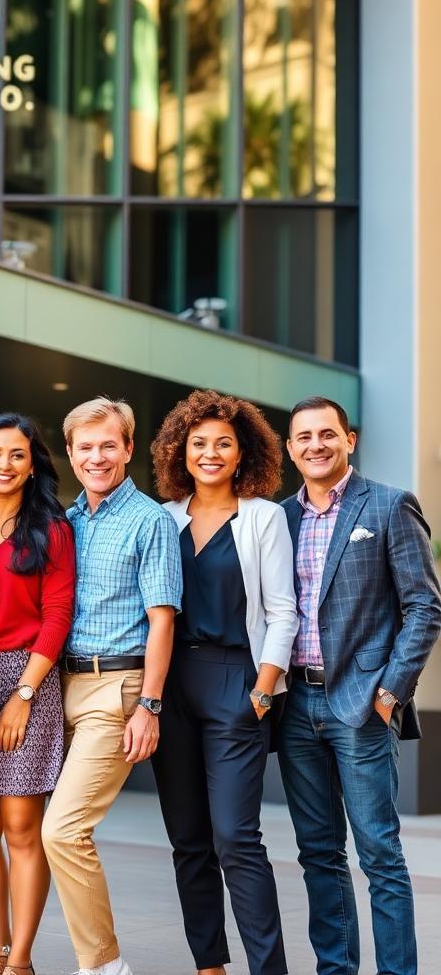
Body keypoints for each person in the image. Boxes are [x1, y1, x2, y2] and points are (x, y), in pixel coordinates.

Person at [278, 396, 441, 975]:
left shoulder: (391, 506)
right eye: (303, 437)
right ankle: (336, 969)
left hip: (362, 704)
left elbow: (424, 607)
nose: (315, 445)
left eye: (327, 434)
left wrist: (390, 691)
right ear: (290, 447)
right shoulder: (282, 517)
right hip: (296, 705)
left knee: (379, 854)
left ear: (350, 439)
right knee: (318, 854)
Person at [149, 390, 297, 975]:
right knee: (188, 841)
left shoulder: (263, 516)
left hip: (237, 679)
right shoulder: (163, 518)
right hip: (170, 683)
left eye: (224, 444)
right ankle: (209, 965)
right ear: (180, 451)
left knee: (237, 838)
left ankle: (269, 969)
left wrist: (262, 690)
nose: (210, 453)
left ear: (243, 454)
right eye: (199, 443)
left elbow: (283, 611)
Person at [41, 397, 181, 975]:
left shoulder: (150, 520)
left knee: (64, 829)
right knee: (46, 830)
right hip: (60, 687)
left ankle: (103, 965)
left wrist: (148, 705)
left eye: (108, 445)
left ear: (127, 448)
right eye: (85, 447)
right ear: (71, 454)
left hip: (116, 689)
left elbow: (162, 620)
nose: (97, 457)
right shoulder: (66, 522)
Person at [0, 413, 75, 975]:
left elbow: (57, 615)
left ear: (33, 466)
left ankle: (22, 960)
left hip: (27, 678)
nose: (5, 464)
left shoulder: (50, 528)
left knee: (23, 828)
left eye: (18, 455)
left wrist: (24, 692)